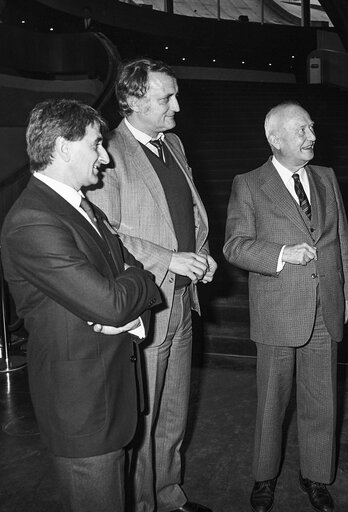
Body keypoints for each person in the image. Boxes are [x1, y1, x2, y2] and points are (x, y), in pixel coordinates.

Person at [0, 98, 161, 512]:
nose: (105, 158)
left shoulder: (77, 206)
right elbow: (111, 302)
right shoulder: (33, 220)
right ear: (64, 148)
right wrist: (139, 282)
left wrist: (130, 291)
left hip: (111, 398)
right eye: (96, 145)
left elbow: (129, 270)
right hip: (83, 410)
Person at [87, 57, 216, 512]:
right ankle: (142, 505)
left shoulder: (174, 144)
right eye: (166, 98)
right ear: (132, 100)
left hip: (182, 298)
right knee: (145, 416)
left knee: (174, 413)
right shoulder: (110, 154)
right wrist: (169, 259)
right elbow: (106, 232)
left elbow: (190, 213)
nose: (177, 105)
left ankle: (169, 496)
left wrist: (200, 254)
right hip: (146, 303)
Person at [223, 102, 348, 512]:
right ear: (275, 138)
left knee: (321, 401)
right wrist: (282, 253)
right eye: (301, 130)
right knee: (271, 403)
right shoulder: (249, 184)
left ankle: (316, 477)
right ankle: (265, 477)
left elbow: (342, 241)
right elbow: (234, 245)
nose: (312, 136)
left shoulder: (326, 177)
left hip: (326, 307)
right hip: (278, 311)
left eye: (312, 128)